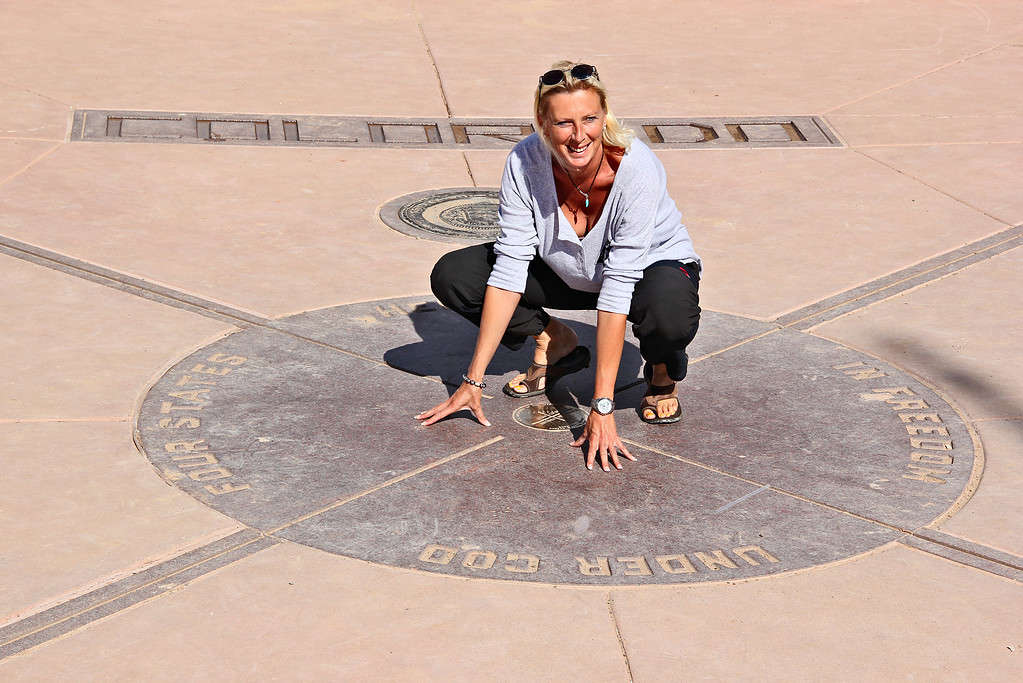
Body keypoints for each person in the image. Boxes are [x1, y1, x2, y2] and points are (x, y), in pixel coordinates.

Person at [415, 61, 701, 473]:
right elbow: (511, 264)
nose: (579, 134)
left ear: (606, 116)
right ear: (543, 124)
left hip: (647, 271)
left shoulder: (637, 167)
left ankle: (660, 367)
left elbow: (619, 283)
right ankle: (554, 338)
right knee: (456, 275)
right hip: (567, 269)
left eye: (590, 118)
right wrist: (472, 381)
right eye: (564, 123)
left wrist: (601, 407)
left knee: (668, 313)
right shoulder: (524, 161)